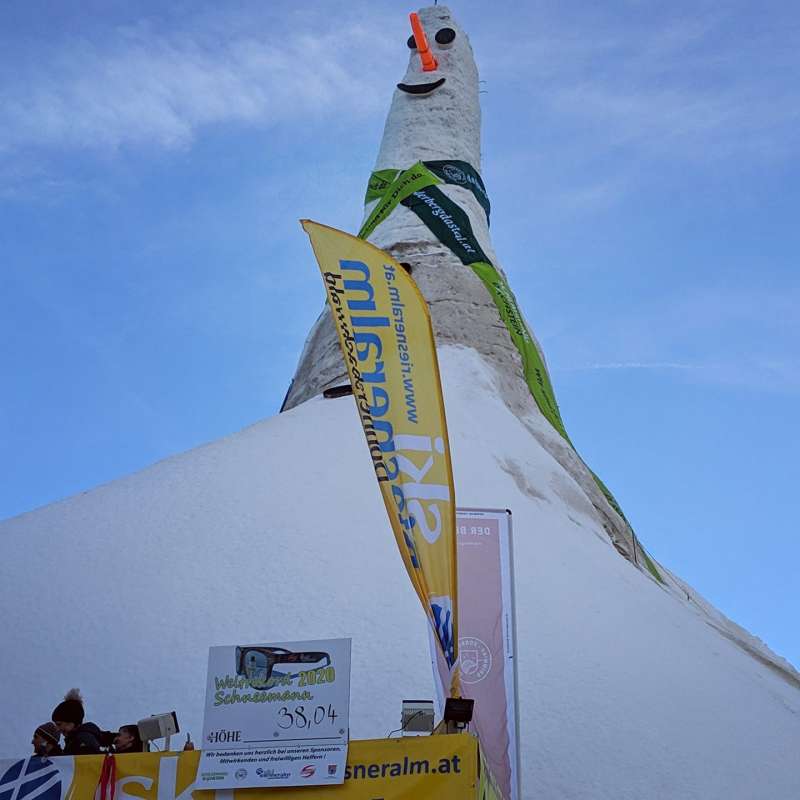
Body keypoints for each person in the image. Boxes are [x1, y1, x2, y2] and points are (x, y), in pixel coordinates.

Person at [51, 689, 104, 755]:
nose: (57, 729)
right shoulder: (75, 739)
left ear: (71, 722)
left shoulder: (84, 739)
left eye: (59, 724)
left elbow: (85, 760)